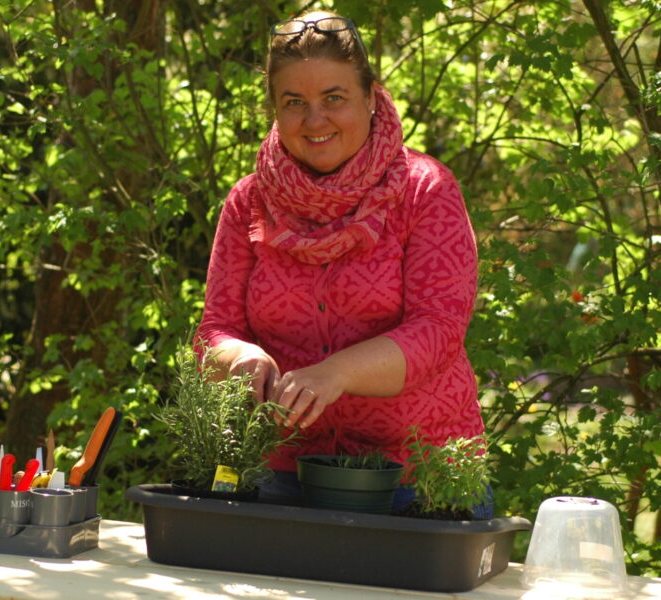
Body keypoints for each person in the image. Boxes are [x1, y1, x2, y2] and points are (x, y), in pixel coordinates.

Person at [195, 10, 490, 517]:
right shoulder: (248, 202)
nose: (314, 120)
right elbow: (215, 330)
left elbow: (439, 330)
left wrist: (337, 373)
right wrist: (239, 358)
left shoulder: (425, 190)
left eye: (334, 98)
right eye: (295, 103)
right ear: (275, 110)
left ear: (371, 98)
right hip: (278, 479)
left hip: (419, 483)